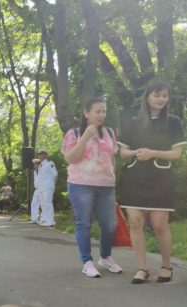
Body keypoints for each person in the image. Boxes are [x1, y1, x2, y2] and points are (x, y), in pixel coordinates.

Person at [118, 81, 186, 284]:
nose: (161, 99)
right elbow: (122, 152)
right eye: (157, 95)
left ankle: (166, 266)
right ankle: (142, 268)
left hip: (161, 179)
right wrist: (136, 153)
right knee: (136, 222)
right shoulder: (132, 123)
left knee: (159, 225)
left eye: (164, 96)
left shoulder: (173, 122)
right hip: (134, 178)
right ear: (147, 97)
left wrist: (153, 153)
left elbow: (177, 153)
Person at [61, 97, 123, 278]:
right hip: (81, 184)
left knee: (109, 224)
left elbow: (111, 159)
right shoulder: (73, 133)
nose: (101, 115)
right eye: (97, 111)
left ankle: (105, 257)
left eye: (104, 111)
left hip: (106, 186)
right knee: (83, 223)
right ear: (86, 113)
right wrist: (85, 136)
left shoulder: (110, 132)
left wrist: (113, 181)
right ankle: (87, 262)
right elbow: (70, 158)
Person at [35, 149, 57, 226]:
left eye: (42, 154)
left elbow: (55, 175)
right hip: (41, 188)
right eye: (39, 154)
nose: (40, 155)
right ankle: (45, 219)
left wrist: (53, 186)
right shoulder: (40, 166)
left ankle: (51, 221)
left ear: (45, 155)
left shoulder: (49, 163)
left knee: (48, 204)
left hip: (48, 186)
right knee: (43, 204)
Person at [30, 158, 41, 223]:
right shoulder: (34, 172)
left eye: (36, 165)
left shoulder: (43, 171)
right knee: (34, 204)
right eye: (34, 165)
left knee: (44, 204)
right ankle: (34, 219)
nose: (35, 166)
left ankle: (44, 219)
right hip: (37, 189)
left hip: (43, 189)